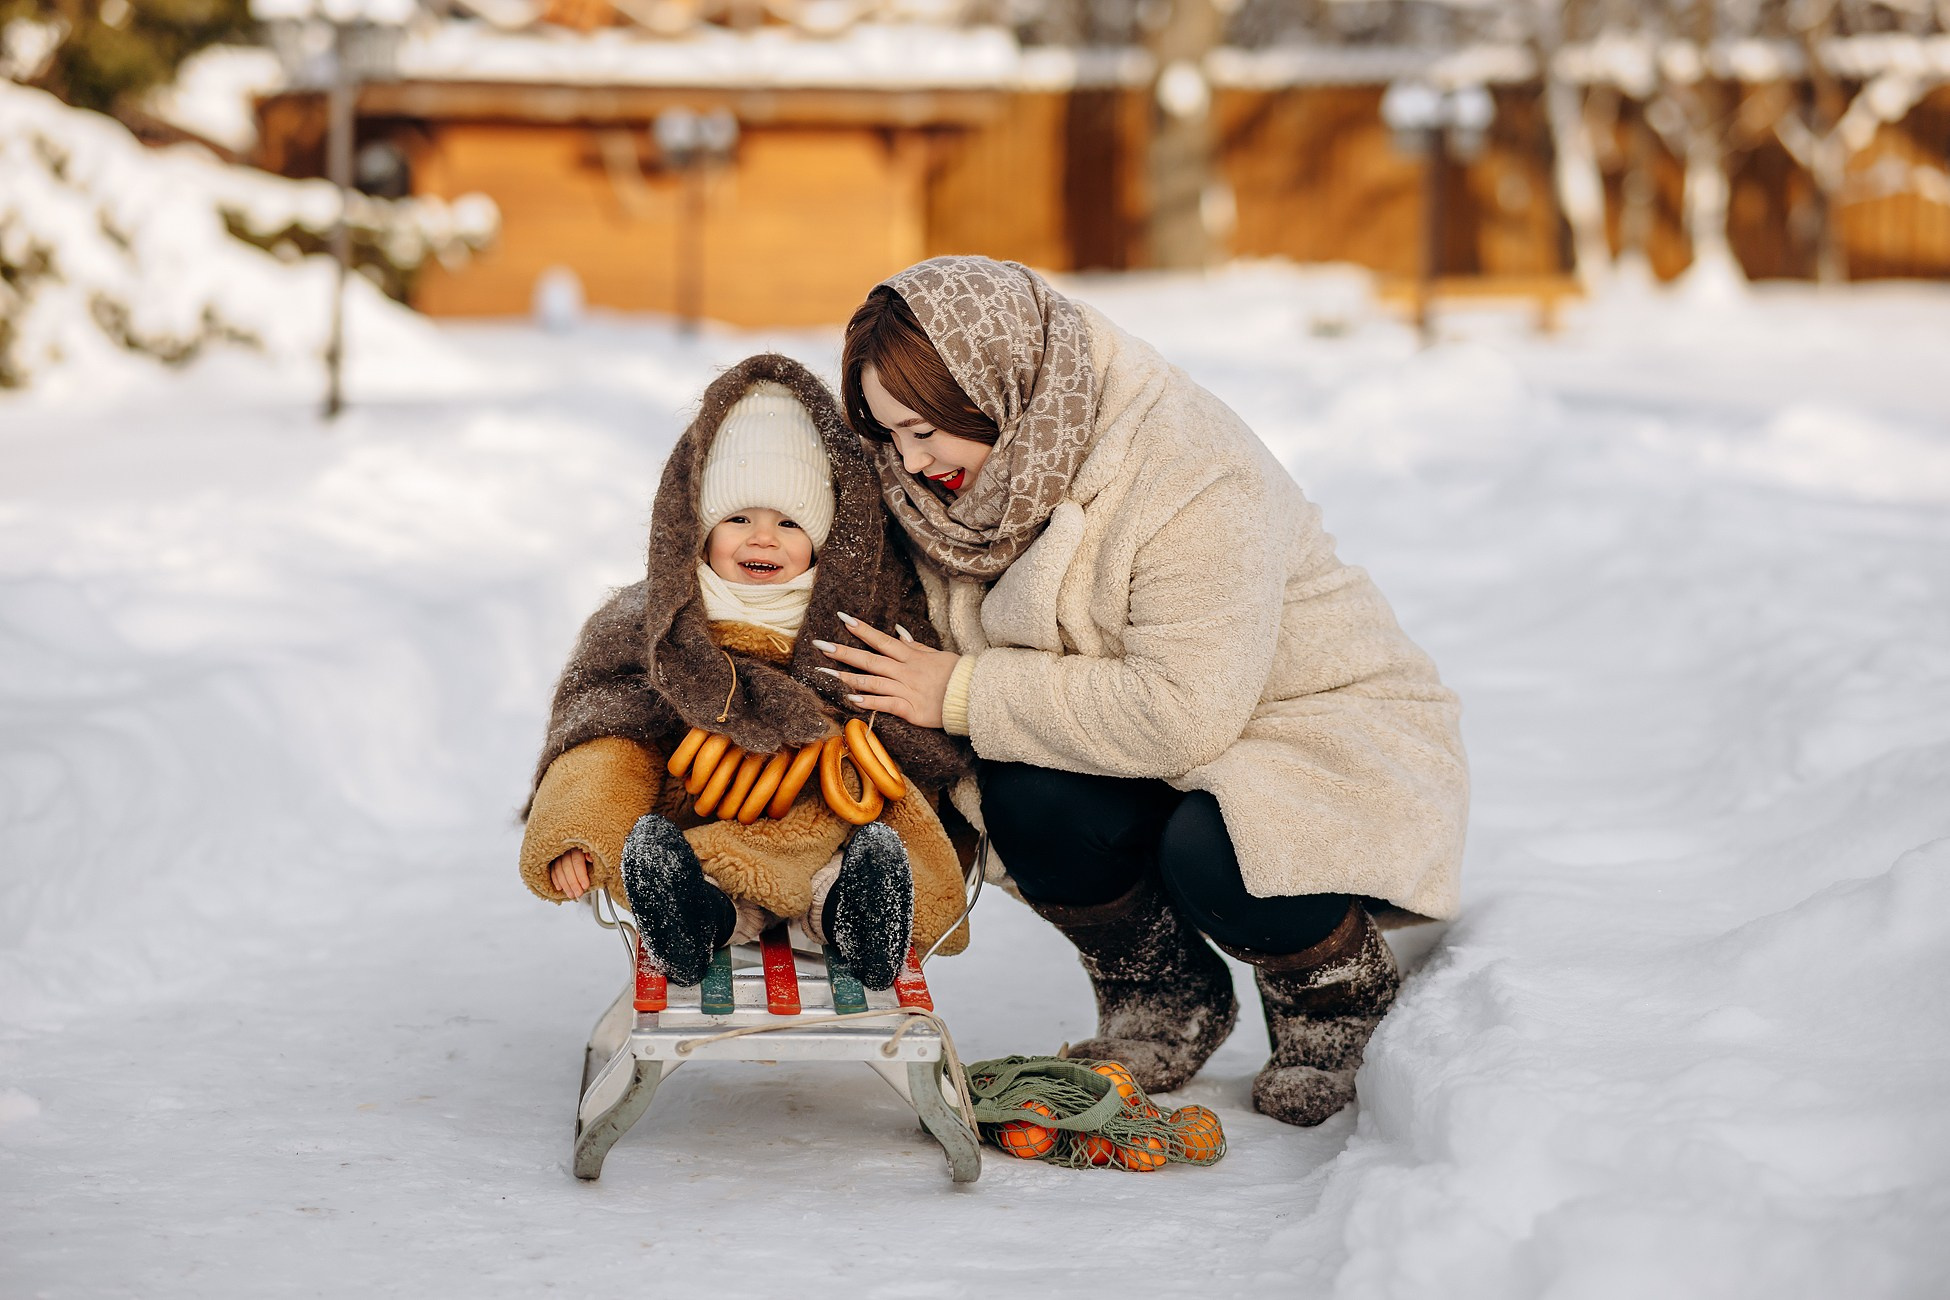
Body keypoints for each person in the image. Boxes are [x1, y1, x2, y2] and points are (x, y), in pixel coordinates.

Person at [819, 257, 1469, 1123]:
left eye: (927, 428)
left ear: (995, 383)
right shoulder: (961, 480)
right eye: (891, 434)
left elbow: (1183, 715)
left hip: (1324, 740)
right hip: (1155, 736)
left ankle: (1336, 998)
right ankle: (1162, 995)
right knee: (1024, 788)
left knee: (1221, 848)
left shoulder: (1188, 465)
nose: (911, 459)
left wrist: (962, 690)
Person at [516, 354, 972, 990]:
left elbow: (918, 736)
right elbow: (599, 719)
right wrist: (577, 830)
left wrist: (847, 728)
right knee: (614, 751)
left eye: (789, 522)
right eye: (738, 519)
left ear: (826, 536)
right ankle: (690, 910)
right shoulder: (653, 624)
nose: (763, 539)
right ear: (697, 530)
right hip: (700, 814)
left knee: (878, 813)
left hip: (826, 821)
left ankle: (858, 909)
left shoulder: (865, 618)